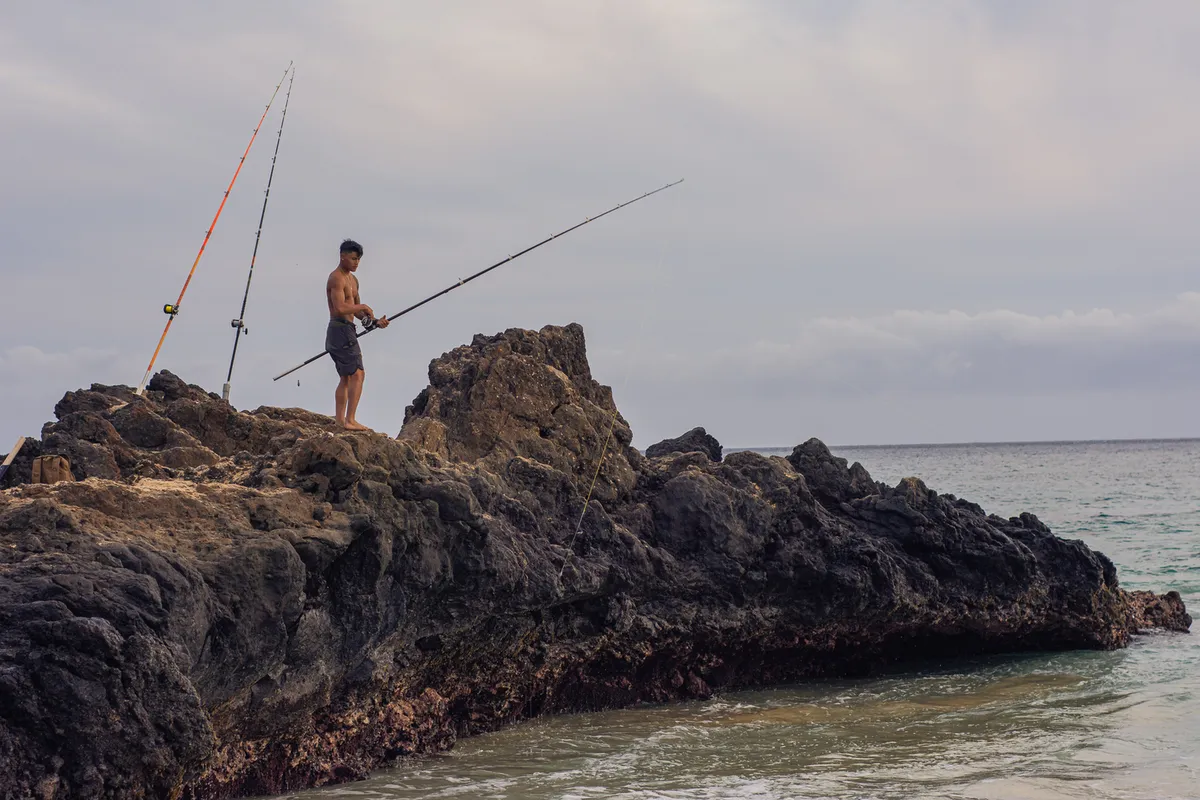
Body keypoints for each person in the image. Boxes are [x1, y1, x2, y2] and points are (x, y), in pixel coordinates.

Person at [325, 239, 389, 430]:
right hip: (339, 329)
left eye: (358, 259)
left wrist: (374, 321)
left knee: (346, 377)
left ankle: (340, 421)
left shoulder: (353, 280)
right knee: (358, 374)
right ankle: (350, 420)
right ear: (342, 256)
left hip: (347, 330)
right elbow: (339, 308)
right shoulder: (336, 278)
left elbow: (358, 313)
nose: (356, 263)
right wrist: (361, 306)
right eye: (353, 258)